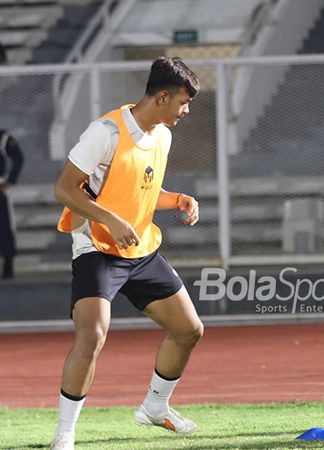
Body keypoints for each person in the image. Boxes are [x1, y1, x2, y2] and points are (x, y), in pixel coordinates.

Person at [51, 57, 203, 450]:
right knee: (93, 334)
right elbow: (65, 189)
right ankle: (65, 433)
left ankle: (155, 406)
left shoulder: (163, 136)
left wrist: (178, 200)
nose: (186, 111)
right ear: (163, 97)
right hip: (96, 248)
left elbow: (143, 190)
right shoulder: (103, 132)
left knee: (189, 330)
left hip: (140, 248)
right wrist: (113, 222)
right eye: (183, 103)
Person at [0, 43, 23, 280]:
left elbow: (18, 157)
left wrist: (10, 180)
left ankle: (8, 267)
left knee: (5, 229)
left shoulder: (3, 136)